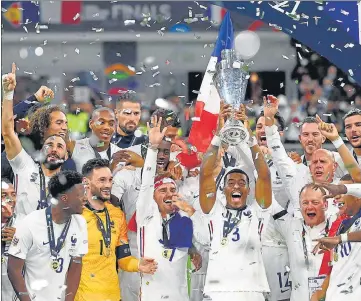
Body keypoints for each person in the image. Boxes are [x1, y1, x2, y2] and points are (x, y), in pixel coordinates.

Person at [199, 102, 272, 301]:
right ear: (222, 189)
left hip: (252, 292)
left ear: (249, 190)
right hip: (218, 293)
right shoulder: (213, 210)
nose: (237, 186)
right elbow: (205, 174)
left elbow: (264, 176)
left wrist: (248, 135)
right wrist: (219, 134)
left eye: (242, 182)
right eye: (231, 182)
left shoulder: (258, 213)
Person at [136, 116, 208, 301]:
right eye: (162, 190)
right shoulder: (146, 216)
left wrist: (192, 250)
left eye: (172, 190)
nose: (168, 194)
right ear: (153, 196)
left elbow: (204, 237)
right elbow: (146, 185)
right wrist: (153, 148)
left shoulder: (183, 218)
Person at [76, 159, 157, 301]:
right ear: (86, 182)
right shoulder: (75, 215)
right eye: (102, 180)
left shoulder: (117, 215)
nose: (108, 185)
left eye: (110, 180)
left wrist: (138, 264)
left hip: (113, 296)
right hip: (83, 296)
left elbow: (123, 259)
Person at [7, 170, 88, 301]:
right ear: (64, 198)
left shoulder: (81, 224)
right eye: (80, 195)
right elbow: (13, 269)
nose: (85, 198)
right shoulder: (30, 223)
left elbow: (76, 265)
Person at [2, 65, 69, 216]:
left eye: (66, 123)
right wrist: (9, 94)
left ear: (66, 155)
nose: (64, 128)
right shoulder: (24, 162)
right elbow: (6, 129)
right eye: (59, 123)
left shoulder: (69, 178)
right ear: (43, 127)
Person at [310, 182, 361, 301]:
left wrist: (342, 188)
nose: (337, 196)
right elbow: (335, 268)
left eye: (344, 193)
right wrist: (318, 296)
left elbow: (357, 175)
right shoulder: (339, 226)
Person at [68, 107, 123, 173]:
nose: (106, 127)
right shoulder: (74, 146)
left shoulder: (120, 154)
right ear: (91, 124)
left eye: (111, 124)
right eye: (101, 122)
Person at [1, 178, 19, 301]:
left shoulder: (24, 224)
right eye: (4, 195)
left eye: (13, 194)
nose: (10, 199)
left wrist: (20, 240)